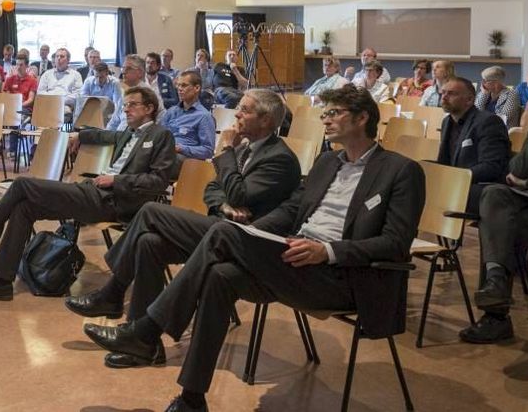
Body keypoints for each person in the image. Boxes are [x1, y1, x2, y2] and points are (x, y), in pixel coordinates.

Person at [83, 85, 425, 411]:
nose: (325, 119)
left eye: (334, 112)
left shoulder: (400, 171)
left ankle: (143, 329)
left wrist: (329, 251)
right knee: (219, 274)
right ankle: (191, 399)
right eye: (324, 113)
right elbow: (294, 209)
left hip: (341, 275)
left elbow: (395, 243)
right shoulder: (327, 162)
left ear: (362, 117)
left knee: (206, 231)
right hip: (292, 257)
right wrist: (252, 237)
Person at [64, 89, 300, 367]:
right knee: (148, 242)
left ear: (266, 120)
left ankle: (113, 293)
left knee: (151, 210)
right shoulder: (244, 148)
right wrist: (223, 205)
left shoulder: (279, 158)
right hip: (220, 225)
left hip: (242, 240)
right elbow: (213, 188)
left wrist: (224, 151)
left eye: (245, 110)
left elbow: (238, 195)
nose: (236, 114)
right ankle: (143, 342)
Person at [0, 86, 176, 301]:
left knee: (22, 185)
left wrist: (117, 180)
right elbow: (102, 135)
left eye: (132, 105)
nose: (126, 110)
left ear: (149, 108)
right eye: (125, 105)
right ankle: (1, 282)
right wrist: (79, 134)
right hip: (93, 193)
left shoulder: (160, 136)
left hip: (114, 201)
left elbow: (157, 181)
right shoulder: (128, 133)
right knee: (23, 208)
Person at [460, 123, 528, 343]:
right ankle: (496, 281)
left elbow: (521, 178)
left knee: (497, 224)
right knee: (493, 194)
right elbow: (515, 170)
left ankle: (496, 317)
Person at [437, 76, 511, 212]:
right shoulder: (447, 122)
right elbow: (445, 161)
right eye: (443, 93)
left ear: (470, 100)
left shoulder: (488, 122)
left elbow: (492, 166)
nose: (444, 97)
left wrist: (455, 178)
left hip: (480, 186)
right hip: (456, 183)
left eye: (451, 93)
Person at [160, 70, 216, 160]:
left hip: (184, 160)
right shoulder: (171, 112)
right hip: (165, 153)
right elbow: (160, 135)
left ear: (197, 88)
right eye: (178, 85)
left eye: (184, 85)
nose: (179, 89)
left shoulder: (204, 116)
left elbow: (208, 151)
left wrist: (181, 148)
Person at [107, 54, 149, 131]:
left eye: (128, 68)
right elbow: (114, 120)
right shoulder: (125, 92)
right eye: (123, 68)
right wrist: (105, 135)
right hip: (116, 136)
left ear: (140, 72)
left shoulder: (147, 94)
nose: (123, 71)